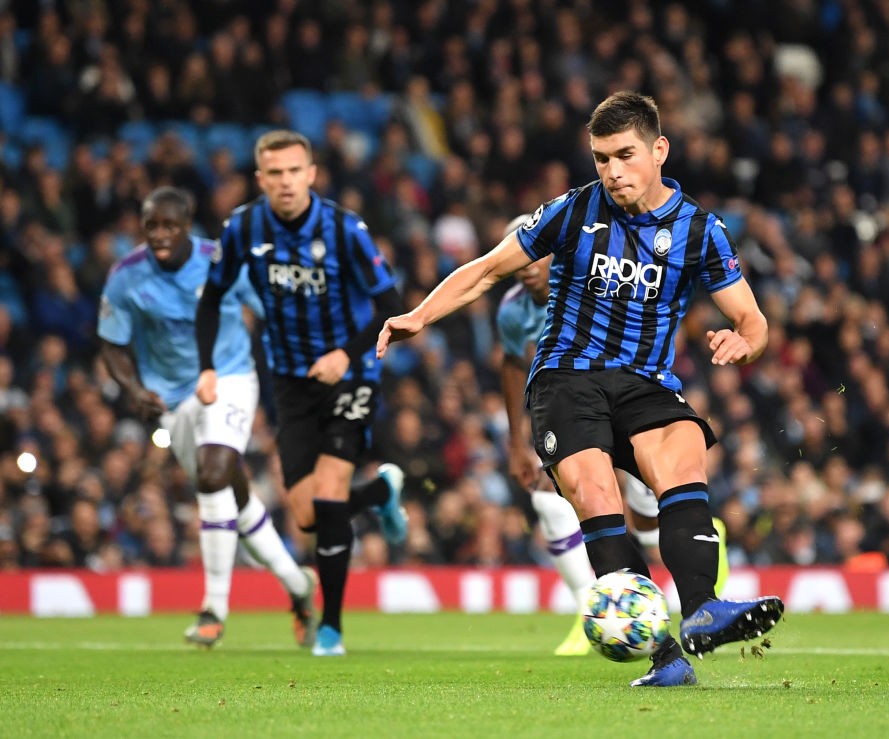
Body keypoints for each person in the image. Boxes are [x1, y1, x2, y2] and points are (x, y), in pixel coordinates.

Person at [379, 91, 783, 686]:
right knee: (596, 494)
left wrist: (746, 340)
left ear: (659, 150)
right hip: (567, 379)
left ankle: (701, 609)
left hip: (645, 382)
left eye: (625, 155)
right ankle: (663, 658)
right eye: (601, 158)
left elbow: (754, 320)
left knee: (684, 456)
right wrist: (420, 314)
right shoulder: (572, 212)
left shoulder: (700, 230)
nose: (613, 171)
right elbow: (488, 268)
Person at [196, 130, 407, 657]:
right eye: (276, 173)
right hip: (290, 381)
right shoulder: (243, 228)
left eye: (295, 171)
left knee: (331, 492)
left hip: (350, 375)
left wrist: (347, 353)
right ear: (260, 179)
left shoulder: (344, 229)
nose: (286, 182)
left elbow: (393, 303)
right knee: (309, 514)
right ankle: (379, 494)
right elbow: (211, 297)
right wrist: (206, 367)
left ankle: (331, 627)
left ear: (311, 174)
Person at [498, 213, 727, 657]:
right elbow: (511, 363)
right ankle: (597, 608)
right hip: (571, 400)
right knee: (570, 498)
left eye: (532, 256)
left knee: (645, 517)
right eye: (517, 258)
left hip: (628, 393)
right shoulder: (512, 310)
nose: (525, 266)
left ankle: (701, 548)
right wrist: (515, 438)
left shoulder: (593, 277)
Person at [98, 186, 318, 648]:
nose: (160, 234)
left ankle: (213, 609)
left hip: (230, 375)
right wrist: (135, 389)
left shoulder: (221, 260)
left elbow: (269, 308)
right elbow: (113, 343)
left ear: (187, 224)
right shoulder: (125, 277)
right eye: (151, 226)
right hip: (174, 400)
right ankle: (298, 586)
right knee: (230, 495)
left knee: (215, 472)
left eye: (169, 226)